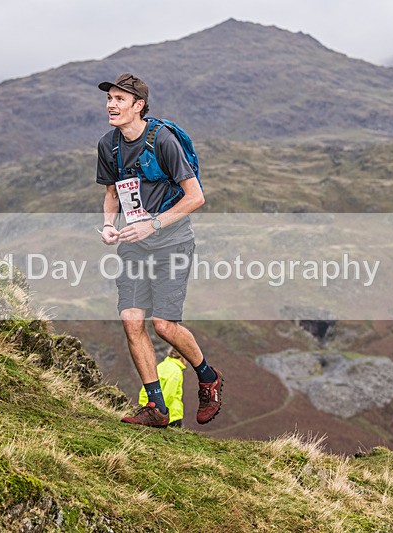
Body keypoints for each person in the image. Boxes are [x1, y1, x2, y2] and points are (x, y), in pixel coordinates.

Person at [96, 72, 223, 428]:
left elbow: (196, 196)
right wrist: (110, 225)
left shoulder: (163, 141)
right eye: (109, 99)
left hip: (173, 243)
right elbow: (111, 194)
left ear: (138, 106)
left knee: (164, 325)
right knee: (130, 319)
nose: (111, 105)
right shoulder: (109, 146)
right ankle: (156, 407)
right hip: (135, 246)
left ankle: (209, 378)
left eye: (120, 99)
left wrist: (152, 224)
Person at [138, 349, 187, 428]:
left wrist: (144, 406)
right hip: (171, 415)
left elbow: (146, 387)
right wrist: (161, 412)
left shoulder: (160, 366)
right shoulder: (176, 371)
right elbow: (170, 394)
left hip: (150, 411)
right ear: (181, 357)